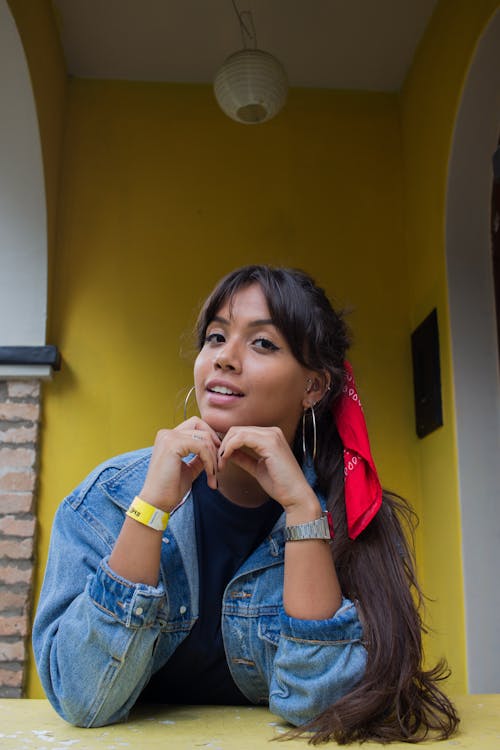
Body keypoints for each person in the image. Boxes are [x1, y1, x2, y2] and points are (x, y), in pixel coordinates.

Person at [33, 265, 459, 743]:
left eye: (262, 343)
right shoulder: (105, 500)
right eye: (216, 337)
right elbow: (82, 700)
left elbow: (323, 706)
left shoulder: (350, 513)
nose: (225, 359)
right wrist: (150, 509)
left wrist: (302, 514)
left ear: (313, 387)